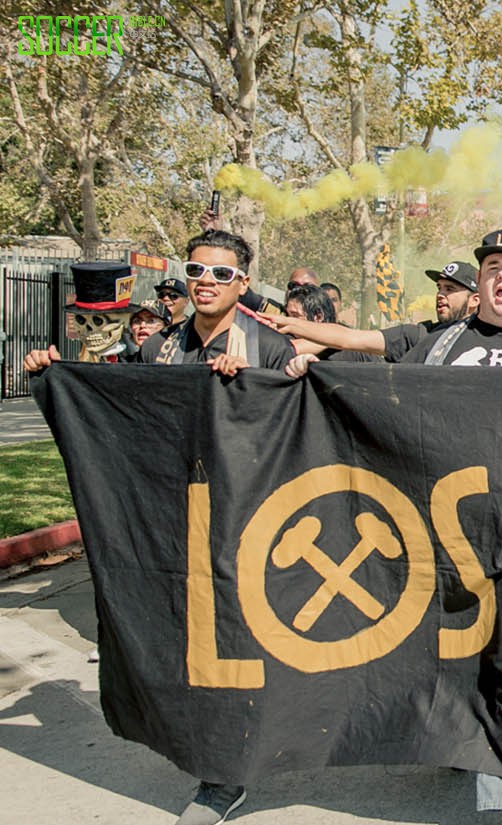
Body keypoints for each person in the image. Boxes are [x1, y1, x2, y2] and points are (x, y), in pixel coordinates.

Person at [288, 228, 502, 825]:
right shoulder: (437, 344)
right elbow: (370, 380)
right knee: (447, 658)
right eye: (492, 266)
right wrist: (308, 366)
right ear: (479, 282)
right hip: (441, 534)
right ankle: (457, 743)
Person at [25, 230, 294, 825]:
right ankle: (209, 758)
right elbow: (123, 415)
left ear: (242, 283)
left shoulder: (269, 347)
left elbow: (299, 431)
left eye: (222, 274)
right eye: (197, 269)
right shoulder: (160, 350)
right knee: (185, 647)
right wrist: (58, 375)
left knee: (235, 649)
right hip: (172, 525)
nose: (206, 282)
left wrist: (254, 388)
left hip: (246, 527)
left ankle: (224, 778)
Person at [270, 261, 479, 363]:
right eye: (439, 288)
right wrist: (290, 324)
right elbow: (349, 338)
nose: (441, 295)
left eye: (450, 289)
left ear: (475, 299)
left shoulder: (493, 343)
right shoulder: (419, 335)